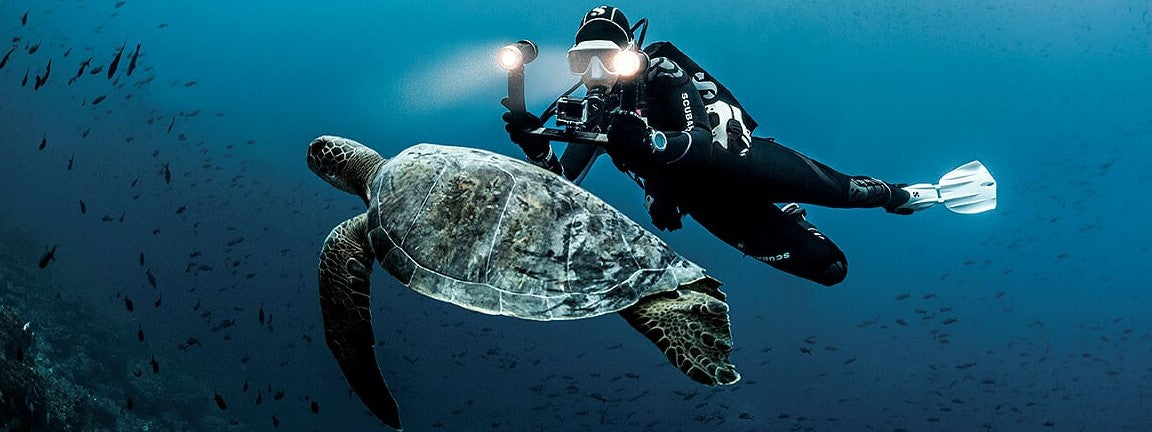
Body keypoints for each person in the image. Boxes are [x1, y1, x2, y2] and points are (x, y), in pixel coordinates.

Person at [502, 6, 995, 286]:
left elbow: (700, 138)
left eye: (606, 60)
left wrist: (650, 139)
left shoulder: (664, 72)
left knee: (849, 191)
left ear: (629, 55)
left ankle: (907, 194)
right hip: (705, 203)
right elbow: (562, 183)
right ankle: (794, 224)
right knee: (830, 270)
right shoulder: (598, 115)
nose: (594, 75)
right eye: (581, 63)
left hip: (742, 164)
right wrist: (535, 145)